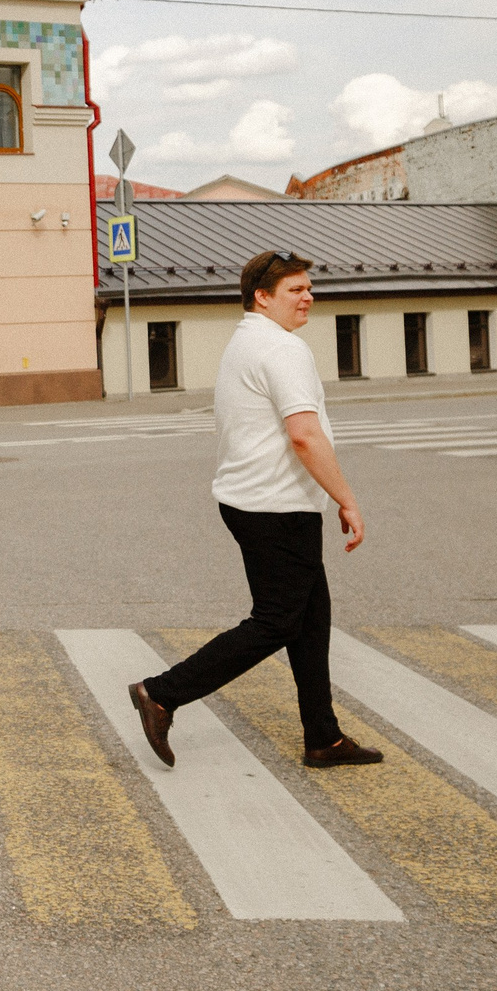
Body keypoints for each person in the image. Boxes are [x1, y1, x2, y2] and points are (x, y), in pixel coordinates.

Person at [129, 249, 383, 771]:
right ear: (262, 296)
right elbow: (304, 435)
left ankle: (324, 738)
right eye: (295, 289)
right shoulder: (283, 349)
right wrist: (346, 498)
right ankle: (162, 693)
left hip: (254, 501)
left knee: (310, 620)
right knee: (277, 622)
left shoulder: (245, 340)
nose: (308, 297)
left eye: (309, 288)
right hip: (277, 508)